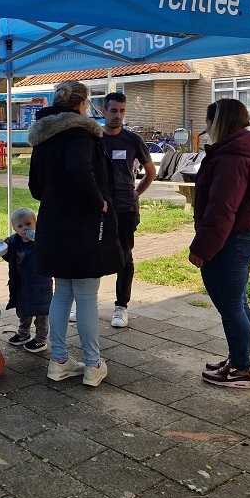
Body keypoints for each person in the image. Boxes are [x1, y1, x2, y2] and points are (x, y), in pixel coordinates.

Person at [29, 80, 123, 387]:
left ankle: (58, 361)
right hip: (82, 224)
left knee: (62, 294)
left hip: (53, 221)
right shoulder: (81, 133)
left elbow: (35, 187)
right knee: (86, 296)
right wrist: (101, 204)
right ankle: (93, 364)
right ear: (82, 105)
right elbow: (80, 171)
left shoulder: (42, 135)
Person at [190, 98, 250, 390]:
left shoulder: (231, 158)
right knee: (238, 302)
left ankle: (242, 369)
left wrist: (201, 248)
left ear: (219, 122)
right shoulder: (247, 150)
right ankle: (239, 359)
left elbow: (221, 209)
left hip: (231, 239)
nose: (206, 128)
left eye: (208, 121)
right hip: (248, 236)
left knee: (230, 306)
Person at [100, 93, 157, 328]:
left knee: (124, 256)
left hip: (125, 209)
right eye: (113, 111)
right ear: (104, 111)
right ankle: (83, 302)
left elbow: (151, 172)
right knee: (92, 254)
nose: (118, 116)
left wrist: (136, 194)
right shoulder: (93, 139)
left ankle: (121, 306)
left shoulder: (132, 140)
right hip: (99, 208)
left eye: (122, 111)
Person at [2, 207, 52, 353]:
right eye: (20, 226)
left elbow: (49, 252)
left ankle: (41, 339)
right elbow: (9, 257)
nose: (25, 228)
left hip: (40, 285)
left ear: (36, 224)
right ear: (14, 228)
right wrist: (4, 246)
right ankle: (23, 333)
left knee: (41, 314)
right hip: (20, 285)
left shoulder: (41, 240)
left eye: (28, 224)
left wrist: (39, 241)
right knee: (23, 311)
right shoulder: (14, 242)